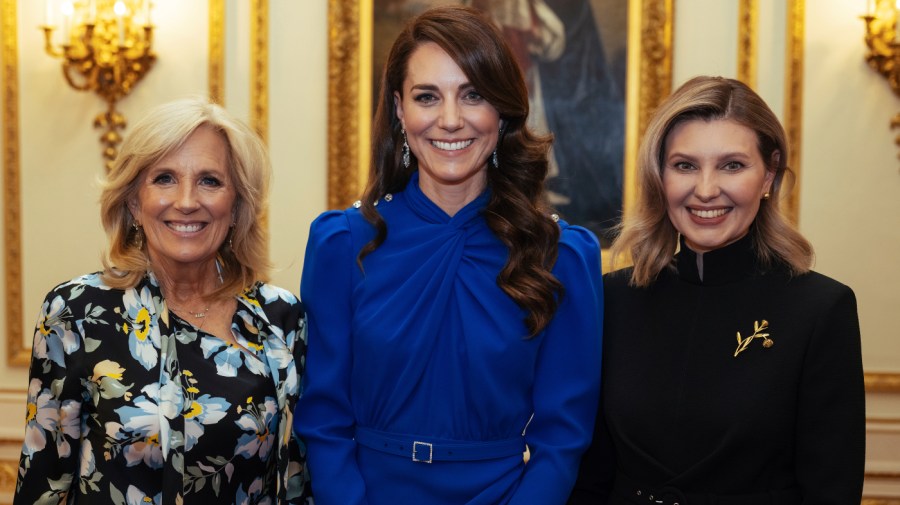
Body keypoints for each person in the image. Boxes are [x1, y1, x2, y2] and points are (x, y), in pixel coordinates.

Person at [295, 5, 602, 505]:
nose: (451, 120)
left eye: (473, 95)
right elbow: (324, 420)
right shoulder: (341, 242)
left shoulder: (561, 254)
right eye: (427, 97)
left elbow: (562, 438)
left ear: (501, 110)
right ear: (399, 108)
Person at [568, 76, 865, 504]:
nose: (705, 190)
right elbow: (588, 476)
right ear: (660, 177)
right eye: (685, 165)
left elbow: (831, 491)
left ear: (769, 175)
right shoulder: (611, 299)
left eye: (732, 165)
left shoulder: (820, 309)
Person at [15, 97, 310, 504]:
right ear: (135, 201)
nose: (187, 200)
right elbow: (43, 482)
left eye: (210, 180)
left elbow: (296, 475)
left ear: (237, 204)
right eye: (165, 178)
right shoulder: (77, 312)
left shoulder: (280, 317)